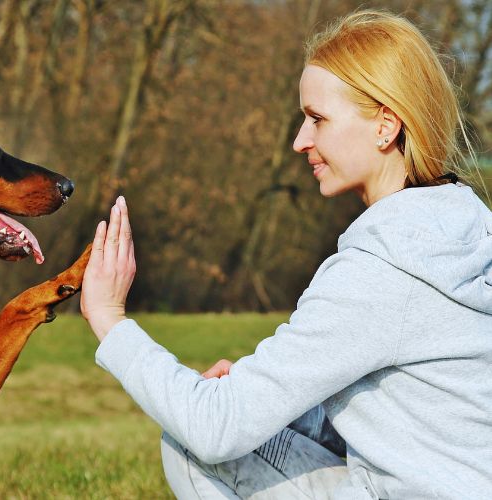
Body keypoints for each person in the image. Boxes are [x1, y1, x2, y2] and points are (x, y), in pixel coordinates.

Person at [79, 10, 492, 500]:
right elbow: (421, 418)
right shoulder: (467, 237)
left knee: (193, 444)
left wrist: (109, 318)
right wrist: (274, 402)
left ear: (385, 126)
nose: (300, 141)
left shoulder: (380, 270)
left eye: (318, 119)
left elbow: (215, 428)